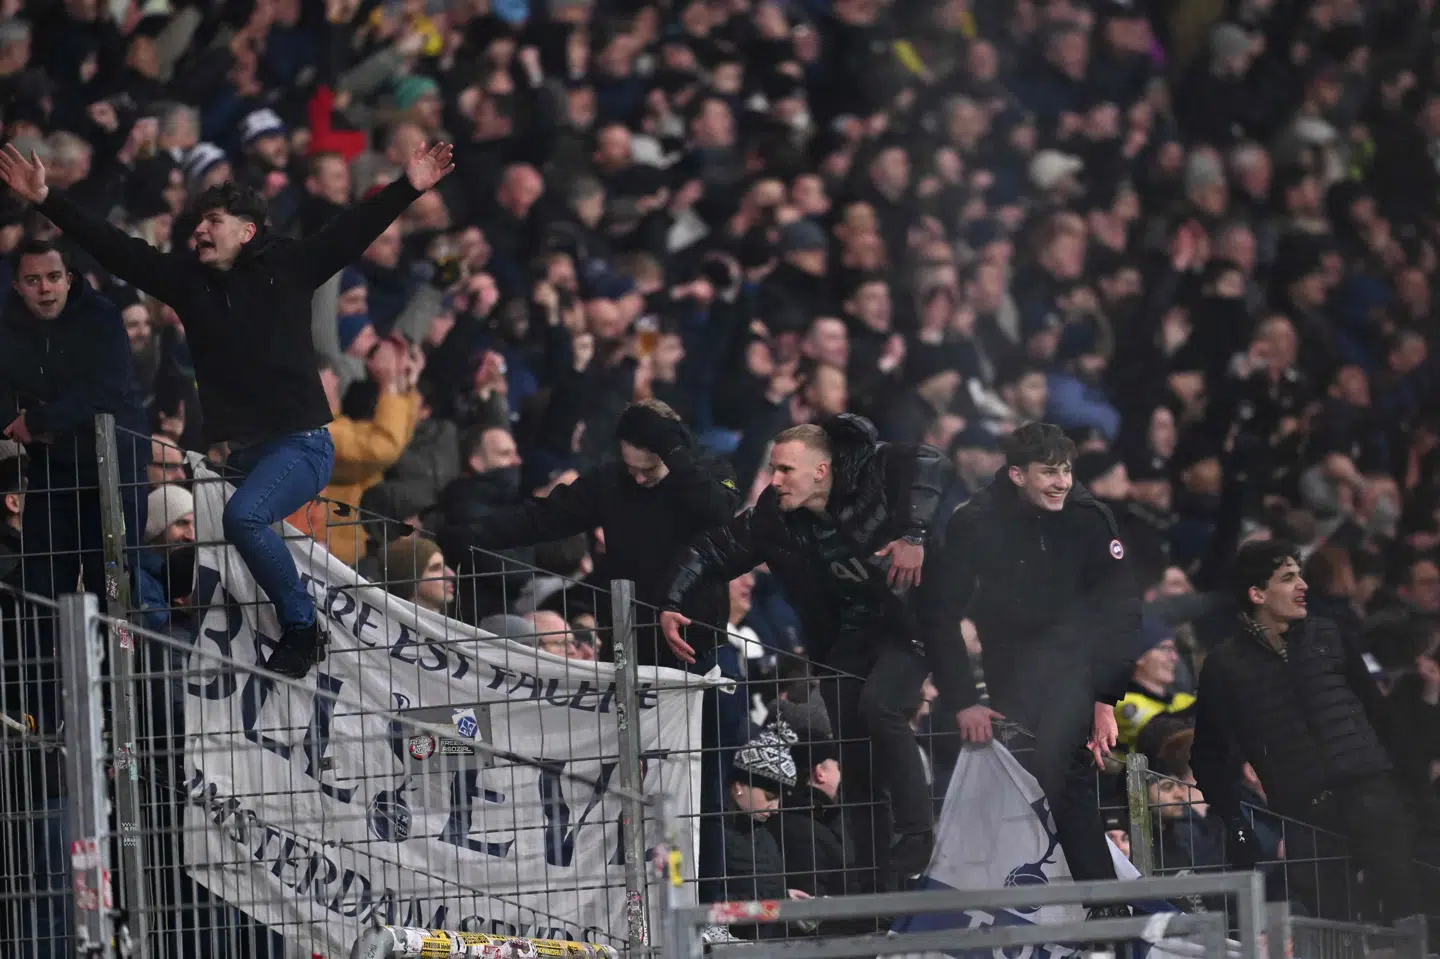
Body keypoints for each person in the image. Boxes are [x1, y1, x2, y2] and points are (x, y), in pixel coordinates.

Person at [0, 141, 455, 678]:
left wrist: (408, 186)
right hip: (232, 462)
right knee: (205, 542)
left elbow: (353, 229)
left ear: (247, 229)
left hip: (301, 445)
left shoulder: (291, 266)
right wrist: (48, 198)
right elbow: (113, 246)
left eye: (212, 220)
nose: (198, 230)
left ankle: (304, 627)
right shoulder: (188, 286)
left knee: (244, 517)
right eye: (195, 222)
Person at [660, 415, 949, 892]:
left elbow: (929, 461)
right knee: (856, 773)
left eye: (785, 470)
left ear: (822, 471)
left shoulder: (875, 476)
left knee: (881, 706)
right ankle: (871, 898)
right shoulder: (774, 520)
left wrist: (914, 536)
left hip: (908, 629)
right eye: (773, 469)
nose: (774, 480)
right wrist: (672, 602)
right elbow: (711, 551)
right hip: (843, 641)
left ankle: (919, 833)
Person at [919, 421, 1141, 912]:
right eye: (1049, 472)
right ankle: (1020, 909)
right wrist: (963, 702)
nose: (1062, 482)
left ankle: (1106, 906)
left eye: (1066, 470)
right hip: (1009, 670)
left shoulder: (1090, 517)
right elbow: (938, 613)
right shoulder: (973, 521)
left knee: (1060, 764)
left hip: (1076, 665)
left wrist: (1106, 697)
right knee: (1021, 778)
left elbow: (1121, 612)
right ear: (1017, 474)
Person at [1189, 539, 1427, 921]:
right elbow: (1208, 756)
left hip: (1373, 797)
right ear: (1257, 593)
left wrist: (1413, 787)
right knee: (1333, 930)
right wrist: (1233, 820)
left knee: (1409, 917)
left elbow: (1380, 715)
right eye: (1288, 578)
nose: (1303, 586)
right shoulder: (1224, 666)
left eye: (1300, 575)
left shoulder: (1330, 636)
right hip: (1305, 815)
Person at [460, 399, 740, 669]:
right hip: (628, 639)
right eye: (632, 468)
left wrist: (677, 454)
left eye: (649, 469)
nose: (639, 478)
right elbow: (542, 518)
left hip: (697, 644)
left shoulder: (708, 471)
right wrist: (473, 534)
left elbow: (718, 511)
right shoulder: (610, 482)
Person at [0, 239, 149, 611]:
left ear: (69, 278)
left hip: (115, 468)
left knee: (113, 587)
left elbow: (105, 393)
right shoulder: (7, 322)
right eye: (32, 280)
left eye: (52, 277)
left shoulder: (102, 317)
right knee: (44, 586)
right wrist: (10, 422)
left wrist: (35, 420)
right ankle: (48, 669)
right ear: (18, 287)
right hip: (53, 467)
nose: (45, 288)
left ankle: (118, 667)